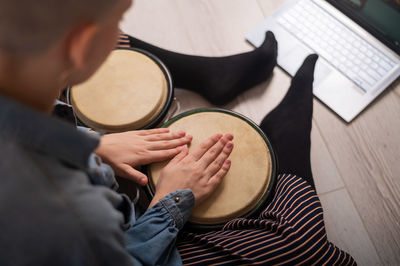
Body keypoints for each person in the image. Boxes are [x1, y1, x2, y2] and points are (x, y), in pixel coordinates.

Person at [0, 0, 356, 266]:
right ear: (80, 47)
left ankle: (214, 75)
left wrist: (96, 145)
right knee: (303, 243)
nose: (121, 25)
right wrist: (169, 202)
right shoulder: (68, 214)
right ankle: (285, 148)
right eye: (121, 16)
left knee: (72, 32)